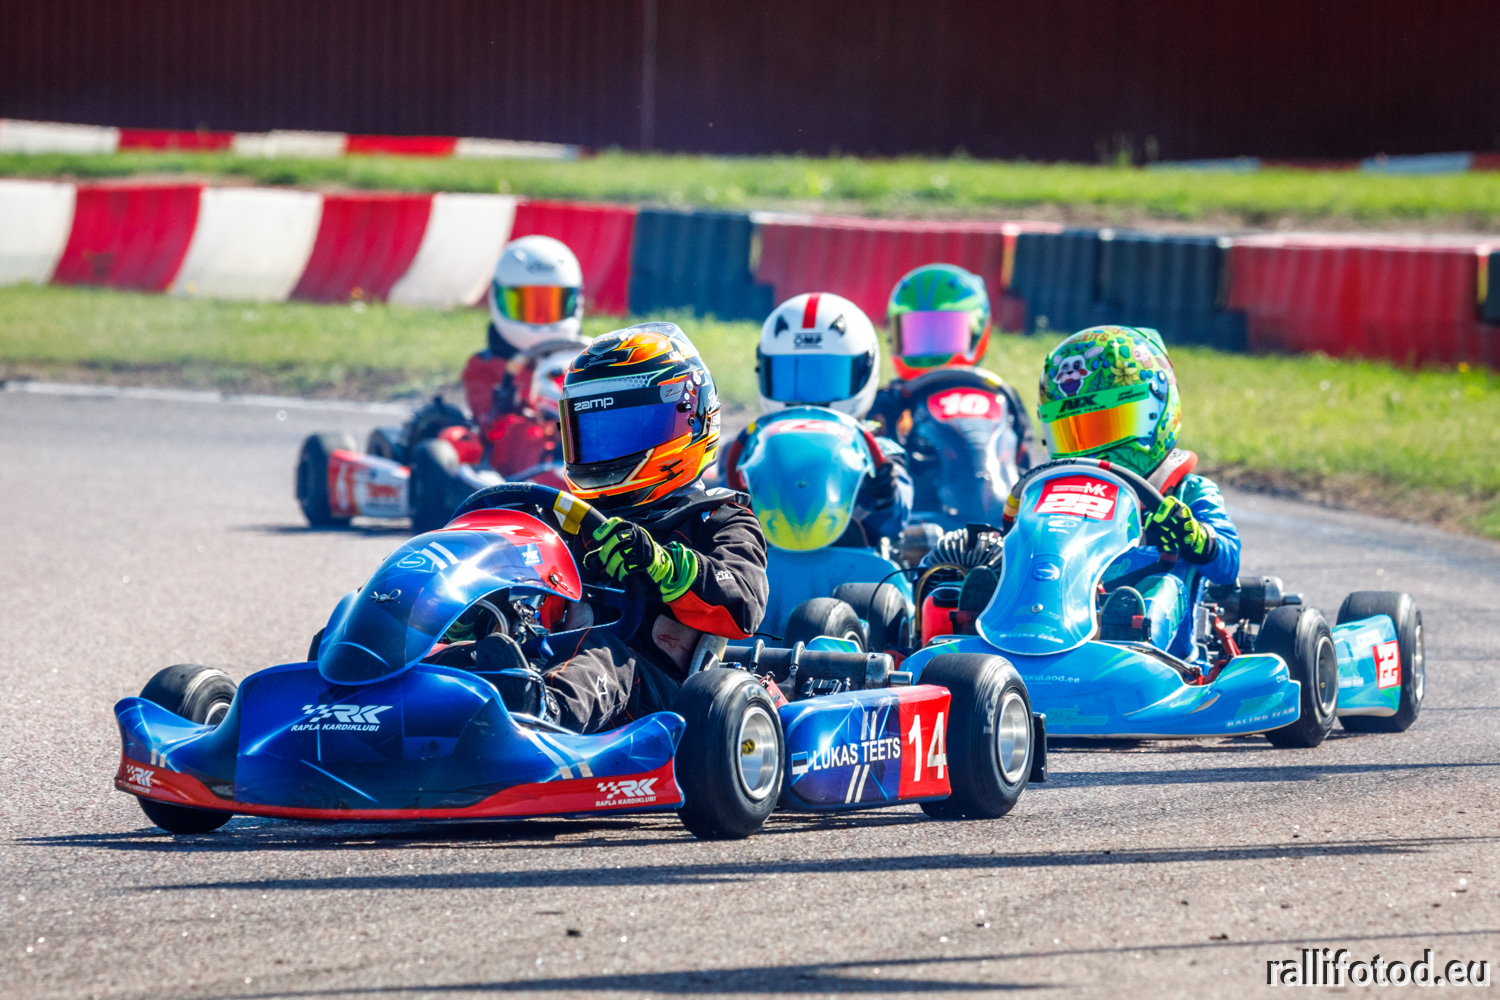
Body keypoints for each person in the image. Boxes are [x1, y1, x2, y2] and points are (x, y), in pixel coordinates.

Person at [541, 322, 770, 733]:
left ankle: (540, 716)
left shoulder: (719, 517)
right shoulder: (568, 523)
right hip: (556, 665)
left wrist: (662, 564)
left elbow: (743, 603)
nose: (605, 450)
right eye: (594, 432)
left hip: (664, 699)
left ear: (690, 418)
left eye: (625, 429)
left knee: (604, 654)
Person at [1034, 325, 1240, 656]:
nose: (1091, 451)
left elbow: (1227, 566)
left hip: (1162, 655)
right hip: (1059, 627)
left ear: (1156, 415)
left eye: (1107, 426)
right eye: (1073, 434)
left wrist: (1194, 538)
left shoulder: (1187, 492)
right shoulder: (1050, 494)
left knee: (1161, 587)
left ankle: (1131, 642)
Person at [720, 292, 912, 545]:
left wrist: (884, 494)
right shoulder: (749, 452)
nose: (808, 399)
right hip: (762, 562)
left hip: (858, 563)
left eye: (827, 376)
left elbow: (896, 518)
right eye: (791, 376)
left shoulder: (879, 453)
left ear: (864, 371)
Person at [866, 262, 1033, 458]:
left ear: (977, 331)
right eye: (918, 334)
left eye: (944, 334)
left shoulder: (1001, 399)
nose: (929, 347)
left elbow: (1023, 465)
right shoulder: (888, 403)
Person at [460, 235, 586, 440]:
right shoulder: (485, 367)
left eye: (551, 306)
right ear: (498, 299)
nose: (540, 320)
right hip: (530, 444)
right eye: (526, 306)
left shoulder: (588, 360)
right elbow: (493, 428)